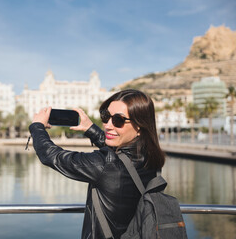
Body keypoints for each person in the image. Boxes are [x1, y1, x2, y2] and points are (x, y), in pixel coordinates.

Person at [28, 89, 165, 239]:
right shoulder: (150, 157)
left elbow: (52, 156)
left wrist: (37, 127)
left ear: (139, 126)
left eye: (118, 120)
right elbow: (119, 153)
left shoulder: (106, 163)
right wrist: (90, 129)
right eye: (106, 117)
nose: (108, 125)